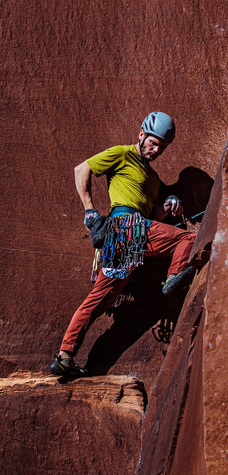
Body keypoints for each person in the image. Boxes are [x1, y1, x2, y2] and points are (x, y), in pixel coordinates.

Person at [50, 111, 197, 378]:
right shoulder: (122, 154)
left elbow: (153, 218)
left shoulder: (152, 179)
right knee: (188, 238)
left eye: (161, 147)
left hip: (132, 236)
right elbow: (82, 169)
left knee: (101, 299)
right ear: (141, 135)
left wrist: (168, 203)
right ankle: (174, 276)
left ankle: (65, 355)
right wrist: (89, 210)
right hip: (125, 227)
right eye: (153, 143)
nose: (156, 150)